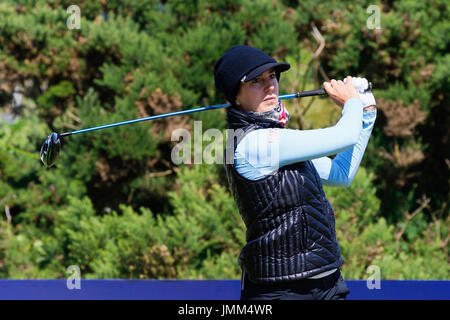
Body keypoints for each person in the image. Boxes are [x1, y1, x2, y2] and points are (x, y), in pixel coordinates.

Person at [214, 45, 377, 300]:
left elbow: (340, 173)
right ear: (235, 96)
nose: (270, 86)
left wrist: (365, 113)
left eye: (272, 77)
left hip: (328, 284)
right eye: (256, 81)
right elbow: (343, 137)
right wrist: (352, 102)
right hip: (281, 291)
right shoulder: (252, 144)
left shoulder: (278, 140)